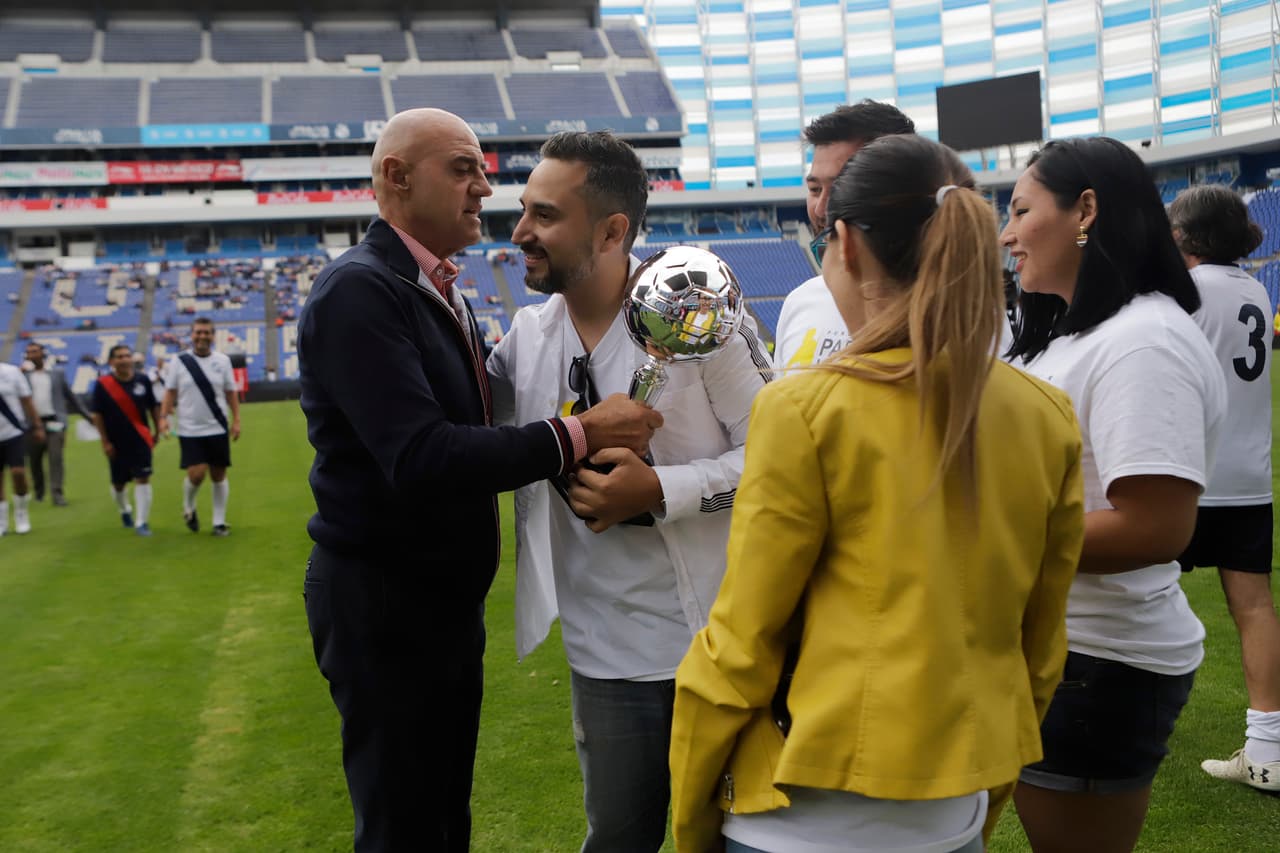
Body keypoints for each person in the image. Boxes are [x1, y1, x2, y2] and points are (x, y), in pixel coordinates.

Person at [669, 134, 1086, 853]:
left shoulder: (804, 411)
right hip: (950, 815)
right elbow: (1039, 648)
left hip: (798, 818)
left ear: (846, 244)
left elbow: (740, 647)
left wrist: (691, 816)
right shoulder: (1045, 415)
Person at [297, 108, 661, 853]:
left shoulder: (430, 285)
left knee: (438, 817)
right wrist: (582, 432)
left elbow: (478, 423)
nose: (483, 188)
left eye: (483, 170)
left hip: (431, 606)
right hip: (386, 605)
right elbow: (425, 457)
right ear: (396, 177)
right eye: (462, 168)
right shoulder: (359, 291)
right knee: (405, 824)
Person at [488, 131, 773, 853]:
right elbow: (462, 447)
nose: (520, 232)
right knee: (617, 838)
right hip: (606, 654)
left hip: (723, 636)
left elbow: (780, 459)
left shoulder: (699, 318)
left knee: (742, 841)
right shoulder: (522, 342)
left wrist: (662, 490)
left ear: (613, 230)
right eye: (523, 210)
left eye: (544, 215)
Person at [1001, 138, 1227, 853]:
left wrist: (984, 539)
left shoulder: (1142, 341)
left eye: (1021, 209)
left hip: (1098, 662)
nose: (1006, 233)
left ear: (1086, 211)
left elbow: (1154, 527)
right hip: (1059, 650)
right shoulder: (1075, 330)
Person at [1168, 185, 1280, 792]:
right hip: (1247, 477)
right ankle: (1268, 750)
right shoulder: (1255, 288)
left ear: (1186, 234)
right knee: (1256, 608)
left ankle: (1114, 724)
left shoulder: (1184, 290)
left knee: (1123, 594)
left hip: (1186, 472)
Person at [772, 101, 914, 370]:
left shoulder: (960, 313)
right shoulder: (800, 304)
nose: (822, 207)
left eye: (841, 188)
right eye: (815, 189)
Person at [161, 317, 239, 536]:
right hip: (189, 429)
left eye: (207, 332)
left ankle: (219, 522)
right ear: (192, 335)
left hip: (218, 426)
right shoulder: (179, 361)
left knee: (218, 474)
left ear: (213, 336)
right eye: (198, 332)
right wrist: (163, 417)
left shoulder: (223, 361)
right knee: (196, 474)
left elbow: (231, 392)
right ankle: (189, 506)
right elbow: (170, 391)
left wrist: (237, 420)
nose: (202, 336)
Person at [90, 344, 165, 536]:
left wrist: (158, 429)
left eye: (127, 355)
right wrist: (105, 441)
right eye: (119, 356)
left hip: (140, 439)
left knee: (143, 478)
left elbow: (153, 407)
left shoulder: (143, 381)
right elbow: (97, 415)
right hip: (116, 442)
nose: (124, 359)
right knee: (119, 484)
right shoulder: (102, 384)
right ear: (111, 362)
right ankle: (125, 510)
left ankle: (142, 522)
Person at [22, 342, 91, 506]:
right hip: (33, 425)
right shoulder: (23, 377)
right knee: (35, 461)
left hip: (55, 422)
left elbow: (70, 396)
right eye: (29, 352)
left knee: (56, 458)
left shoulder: (57, 373)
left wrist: (87, 416)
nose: (32, 355)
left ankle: (57, 493)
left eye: (35, 351)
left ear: (42, 353)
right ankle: (39, 492)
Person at [0, 360, 45, 535]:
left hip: (13, 433)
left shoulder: (11, 372)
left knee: (18, 473)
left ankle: (21, 513)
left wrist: (37, 425)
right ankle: (2, 521)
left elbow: (27, 401)